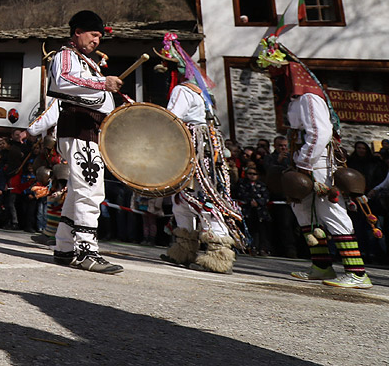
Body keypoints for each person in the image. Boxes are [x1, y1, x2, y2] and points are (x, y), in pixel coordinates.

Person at [257, 35, 371, 289]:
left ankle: (357, 272)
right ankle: (321, 267)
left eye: (274, 72)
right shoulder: (296, 100)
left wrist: (304, 163)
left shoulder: (309, 97)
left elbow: (320, 133)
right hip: (303, 163)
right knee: (304, 213)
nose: (271, 77)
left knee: (331, 213)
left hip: (318, 166)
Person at [155, 33, 243, 273]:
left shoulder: (182, 91)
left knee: (202, 199)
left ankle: (219, 254)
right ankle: (183, 250)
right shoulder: (200, 92)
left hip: (195, 148)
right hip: (204, 149)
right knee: (182, 199)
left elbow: (172, 119)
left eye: (166, 67)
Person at [46, 10, 124, 274]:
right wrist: (103, 82)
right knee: (90, 190)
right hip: (78, 126)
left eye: (100, 36)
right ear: (77, 32)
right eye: (93, 34)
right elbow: (63, 80)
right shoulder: (65, 55)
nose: (97, 40)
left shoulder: (87, 62)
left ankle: (65, 247)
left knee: (80, 190)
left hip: (89, 129)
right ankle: (86, 252)